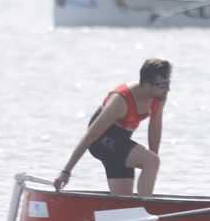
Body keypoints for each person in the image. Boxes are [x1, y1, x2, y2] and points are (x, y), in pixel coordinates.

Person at [54, 58, 171, 197]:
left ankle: (135, 213)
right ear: (146, 85)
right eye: (163, 85)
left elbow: (155, 128)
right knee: (151, 160)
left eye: (168, 83)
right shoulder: (120, 102)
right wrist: (66, 171)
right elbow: (89, 136)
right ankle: (147, 207)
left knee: (124, 201)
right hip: (99, 142)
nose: (167, 89)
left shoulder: (159, 97)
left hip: (120, 144)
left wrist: (152, 165)